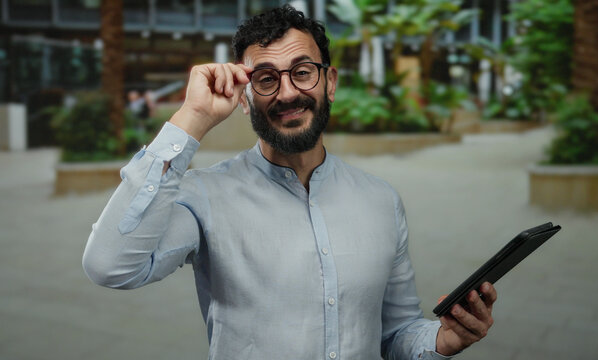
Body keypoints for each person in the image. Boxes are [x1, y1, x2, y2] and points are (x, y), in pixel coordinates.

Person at [83, 5, 496, 360]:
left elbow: (395, 333)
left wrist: (442, 340)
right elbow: (111, 267)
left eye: (302, 72)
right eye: (265, 79)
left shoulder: (381, 199)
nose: (286, 93)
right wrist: (192, 117)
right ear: (245, 98)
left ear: (329, 83)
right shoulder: (203, 195)